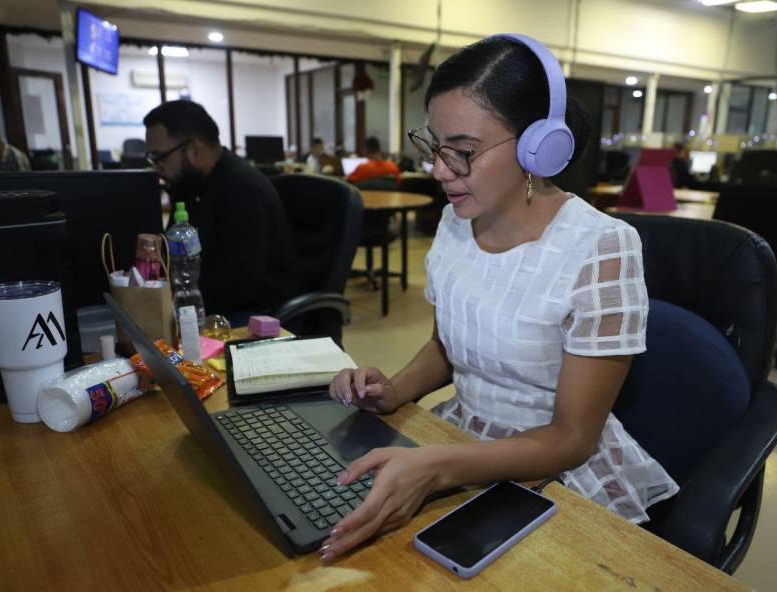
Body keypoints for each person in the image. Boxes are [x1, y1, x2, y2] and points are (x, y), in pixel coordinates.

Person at [322, 34, 678, 561]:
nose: (439, 170)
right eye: (434, 146)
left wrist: (441, 465)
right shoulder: (453, 222)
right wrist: (394, 391)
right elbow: (450, 346)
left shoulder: (600, 247)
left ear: (540, 146)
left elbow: (573, 437)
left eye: (463, 152)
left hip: (550, 463)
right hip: (460, 433)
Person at [143, 100, 300, 320]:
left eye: (160, 157)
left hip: (256, 314)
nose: (156, 167)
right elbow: (173, 255)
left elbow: (239, 284)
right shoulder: (190, 185)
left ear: (194, 149)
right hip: (213, 302)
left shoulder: (243, 189)